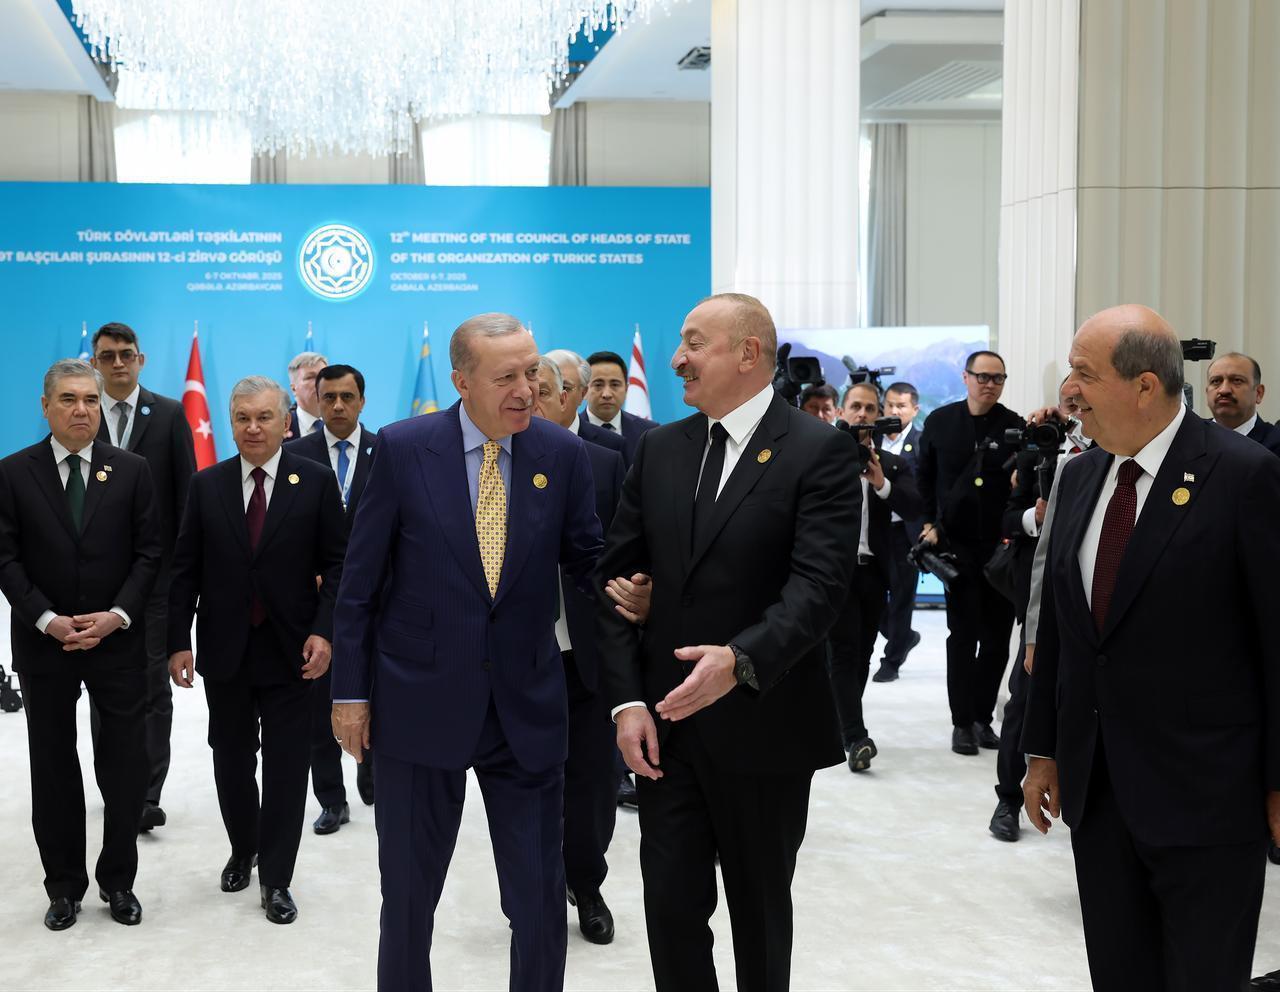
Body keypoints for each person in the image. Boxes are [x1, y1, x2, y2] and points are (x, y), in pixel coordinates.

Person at [330, 314, 603, 991]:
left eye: (533, 373)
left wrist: (641, 587)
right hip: (418, 707)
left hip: (527, 710)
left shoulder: (562, 456)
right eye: (506, 377)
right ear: (461, 382)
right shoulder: (401, 449)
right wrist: (349, 695)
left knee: (539, 902)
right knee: (409, 901)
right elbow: (358, 587)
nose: (527, 390)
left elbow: (591, 564)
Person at [597, 292, 861, 992]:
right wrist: (626, 703)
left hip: (765, 727)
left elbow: (820, 587)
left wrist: (741, 659)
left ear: (748, 354)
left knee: (760, 916)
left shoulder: (818, 451)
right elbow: (619, 582)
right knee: (672, 913)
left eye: (693, 343)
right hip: (665, 733)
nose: (677, 358)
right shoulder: (659, 448)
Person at [1021, 305, 1280, 991]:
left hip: (1207, 796)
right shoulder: (1079, 477)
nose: (1069, 392)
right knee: (1120, 972)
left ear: (1144, 386)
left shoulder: (1243, 475)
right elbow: (1067, 634)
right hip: (1100, 794)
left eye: (1084, 374)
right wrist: (1042, 749)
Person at [167, 376, 346, 925]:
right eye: (242, 417)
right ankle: (243, 846)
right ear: (230, 422)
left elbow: (340, 564)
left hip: (294, 651)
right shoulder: (207, 484)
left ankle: (276, 878)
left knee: (289, 767)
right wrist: (176, 640)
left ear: (286, 420)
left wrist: (326, 630)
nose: (253, 427)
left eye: (264, 417)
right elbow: (185, 569)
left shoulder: (313, 482)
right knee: (231, 758)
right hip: (225, 650)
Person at [0, 359, 160, 930]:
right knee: (54, 766)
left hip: (116, 643)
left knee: (122, 767)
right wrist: (45, 618)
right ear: (45, 406)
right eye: (68, 399)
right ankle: (63, 885)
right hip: (45, 645)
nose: (81, 410)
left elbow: (149, 553)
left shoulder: (133, 469)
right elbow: (5, 558)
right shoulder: (13, 472)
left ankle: (118, 882)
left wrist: (117, 615)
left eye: (90, 400)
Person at [532, 355, 628, 945]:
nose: (534, 399)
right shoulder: (493, 465)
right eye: (526, 388)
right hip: (520, 657)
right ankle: (537, 888)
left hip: (587, 652)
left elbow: (620, 561)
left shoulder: (605, 465)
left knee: (593, 782)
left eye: (547, 389)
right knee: (529, 779)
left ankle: (586, 883)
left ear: (572, 396)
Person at [90, 322, 196, 833]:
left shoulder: (170, 414)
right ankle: (114, 785)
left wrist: (180, 575)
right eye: (107, 356)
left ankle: (146, 793)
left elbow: (186, 499)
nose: (117, 364)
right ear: (95, 362)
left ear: (141, 359)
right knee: (104, 687)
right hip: (91, 585)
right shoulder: (81, 413)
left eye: (125, 355)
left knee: (154, 687)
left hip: (155, 581)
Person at [988, 387, 1089, 843]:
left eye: (1082, 399)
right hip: (1041, 599)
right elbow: (1007, 518)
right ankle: (1007, 797)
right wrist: (1034, 514)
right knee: (1024, 701)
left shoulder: (1113, 451)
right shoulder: (1038, 452)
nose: (1075, 408)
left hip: (1098, 608)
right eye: (1068, 401)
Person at [285, 363, 379, 831]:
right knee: (317, 697)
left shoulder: (388, 452)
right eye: (329, 398)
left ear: (362, 401)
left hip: (378, 600)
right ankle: (331, 798)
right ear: (315, 402)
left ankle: (371, 768)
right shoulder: (292, 456)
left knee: (376, 689)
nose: (338, 406)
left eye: (347, 397)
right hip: (315, 602)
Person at [917, 351, 1023, 754]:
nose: (989, 384)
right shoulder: (941, 422)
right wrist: (927, 523)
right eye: (982, 376)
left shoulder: (1014, 425)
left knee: (997, 639)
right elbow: (923, 476)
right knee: (961, 636)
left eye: (998, 378)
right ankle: (961, 722)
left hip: (1000, 548)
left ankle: (982, 718)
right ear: (965, 377)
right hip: (955, 546)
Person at [825, 382, 921, 772]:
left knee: (862, 655)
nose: (862, 414)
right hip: (834, 574)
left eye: (869, 408)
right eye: (855, 407)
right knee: (843, 653)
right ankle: (855, 735)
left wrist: (880, 482)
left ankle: (844, 725)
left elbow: (914, 504)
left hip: (875, 573)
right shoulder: (823, 458)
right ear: (841, 412)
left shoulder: (893, 464)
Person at [874, 381, 925, 682]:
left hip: (907, 532)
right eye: (890, 404)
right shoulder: (871, 440)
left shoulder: (921, 442)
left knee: (904, 597)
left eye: (901, 405)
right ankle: (903, 637)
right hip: (874, 531)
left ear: (914, 409)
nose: (894, 410)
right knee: (876, 597)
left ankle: (891, 661)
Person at [583, 349, 658, 463]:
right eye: (598, 385)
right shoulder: (570, 432)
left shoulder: (649, 432)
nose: (606, 394)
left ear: (627, 389)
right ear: (584, 390)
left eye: (615, 385)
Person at [1204, 351, 1280, 454]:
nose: (1224, 390)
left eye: (1237, 380)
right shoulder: (1189, 437)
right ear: (1207, 392)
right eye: (1216, 381)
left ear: (1258, 393)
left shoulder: (1275, 445)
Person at [285, 351, 328, 439]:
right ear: (294, 389)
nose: (321, 382)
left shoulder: (348, 426)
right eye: (310, 377)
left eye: (324, 376)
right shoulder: (279, 428)